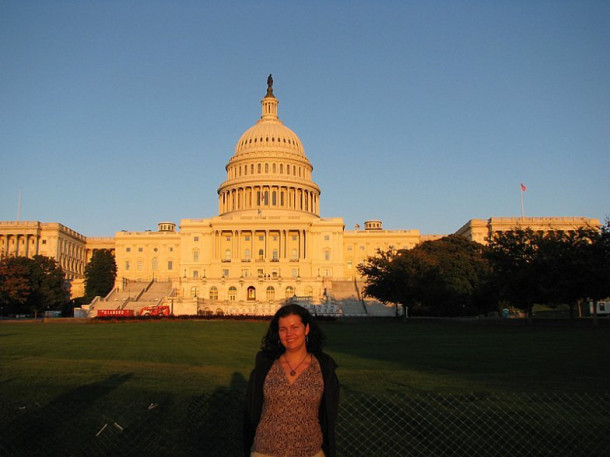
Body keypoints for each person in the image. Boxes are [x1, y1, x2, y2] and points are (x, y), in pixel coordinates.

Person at [244, 304, 340, 457]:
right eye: (283, 329)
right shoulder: (265, 366)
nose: (289, 334)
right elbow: (252, 409)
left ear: (306, 329)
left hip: (310, 451)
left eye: (295, 327)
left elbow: (329, 415)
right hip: (265, 451)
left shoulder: (322, 368)